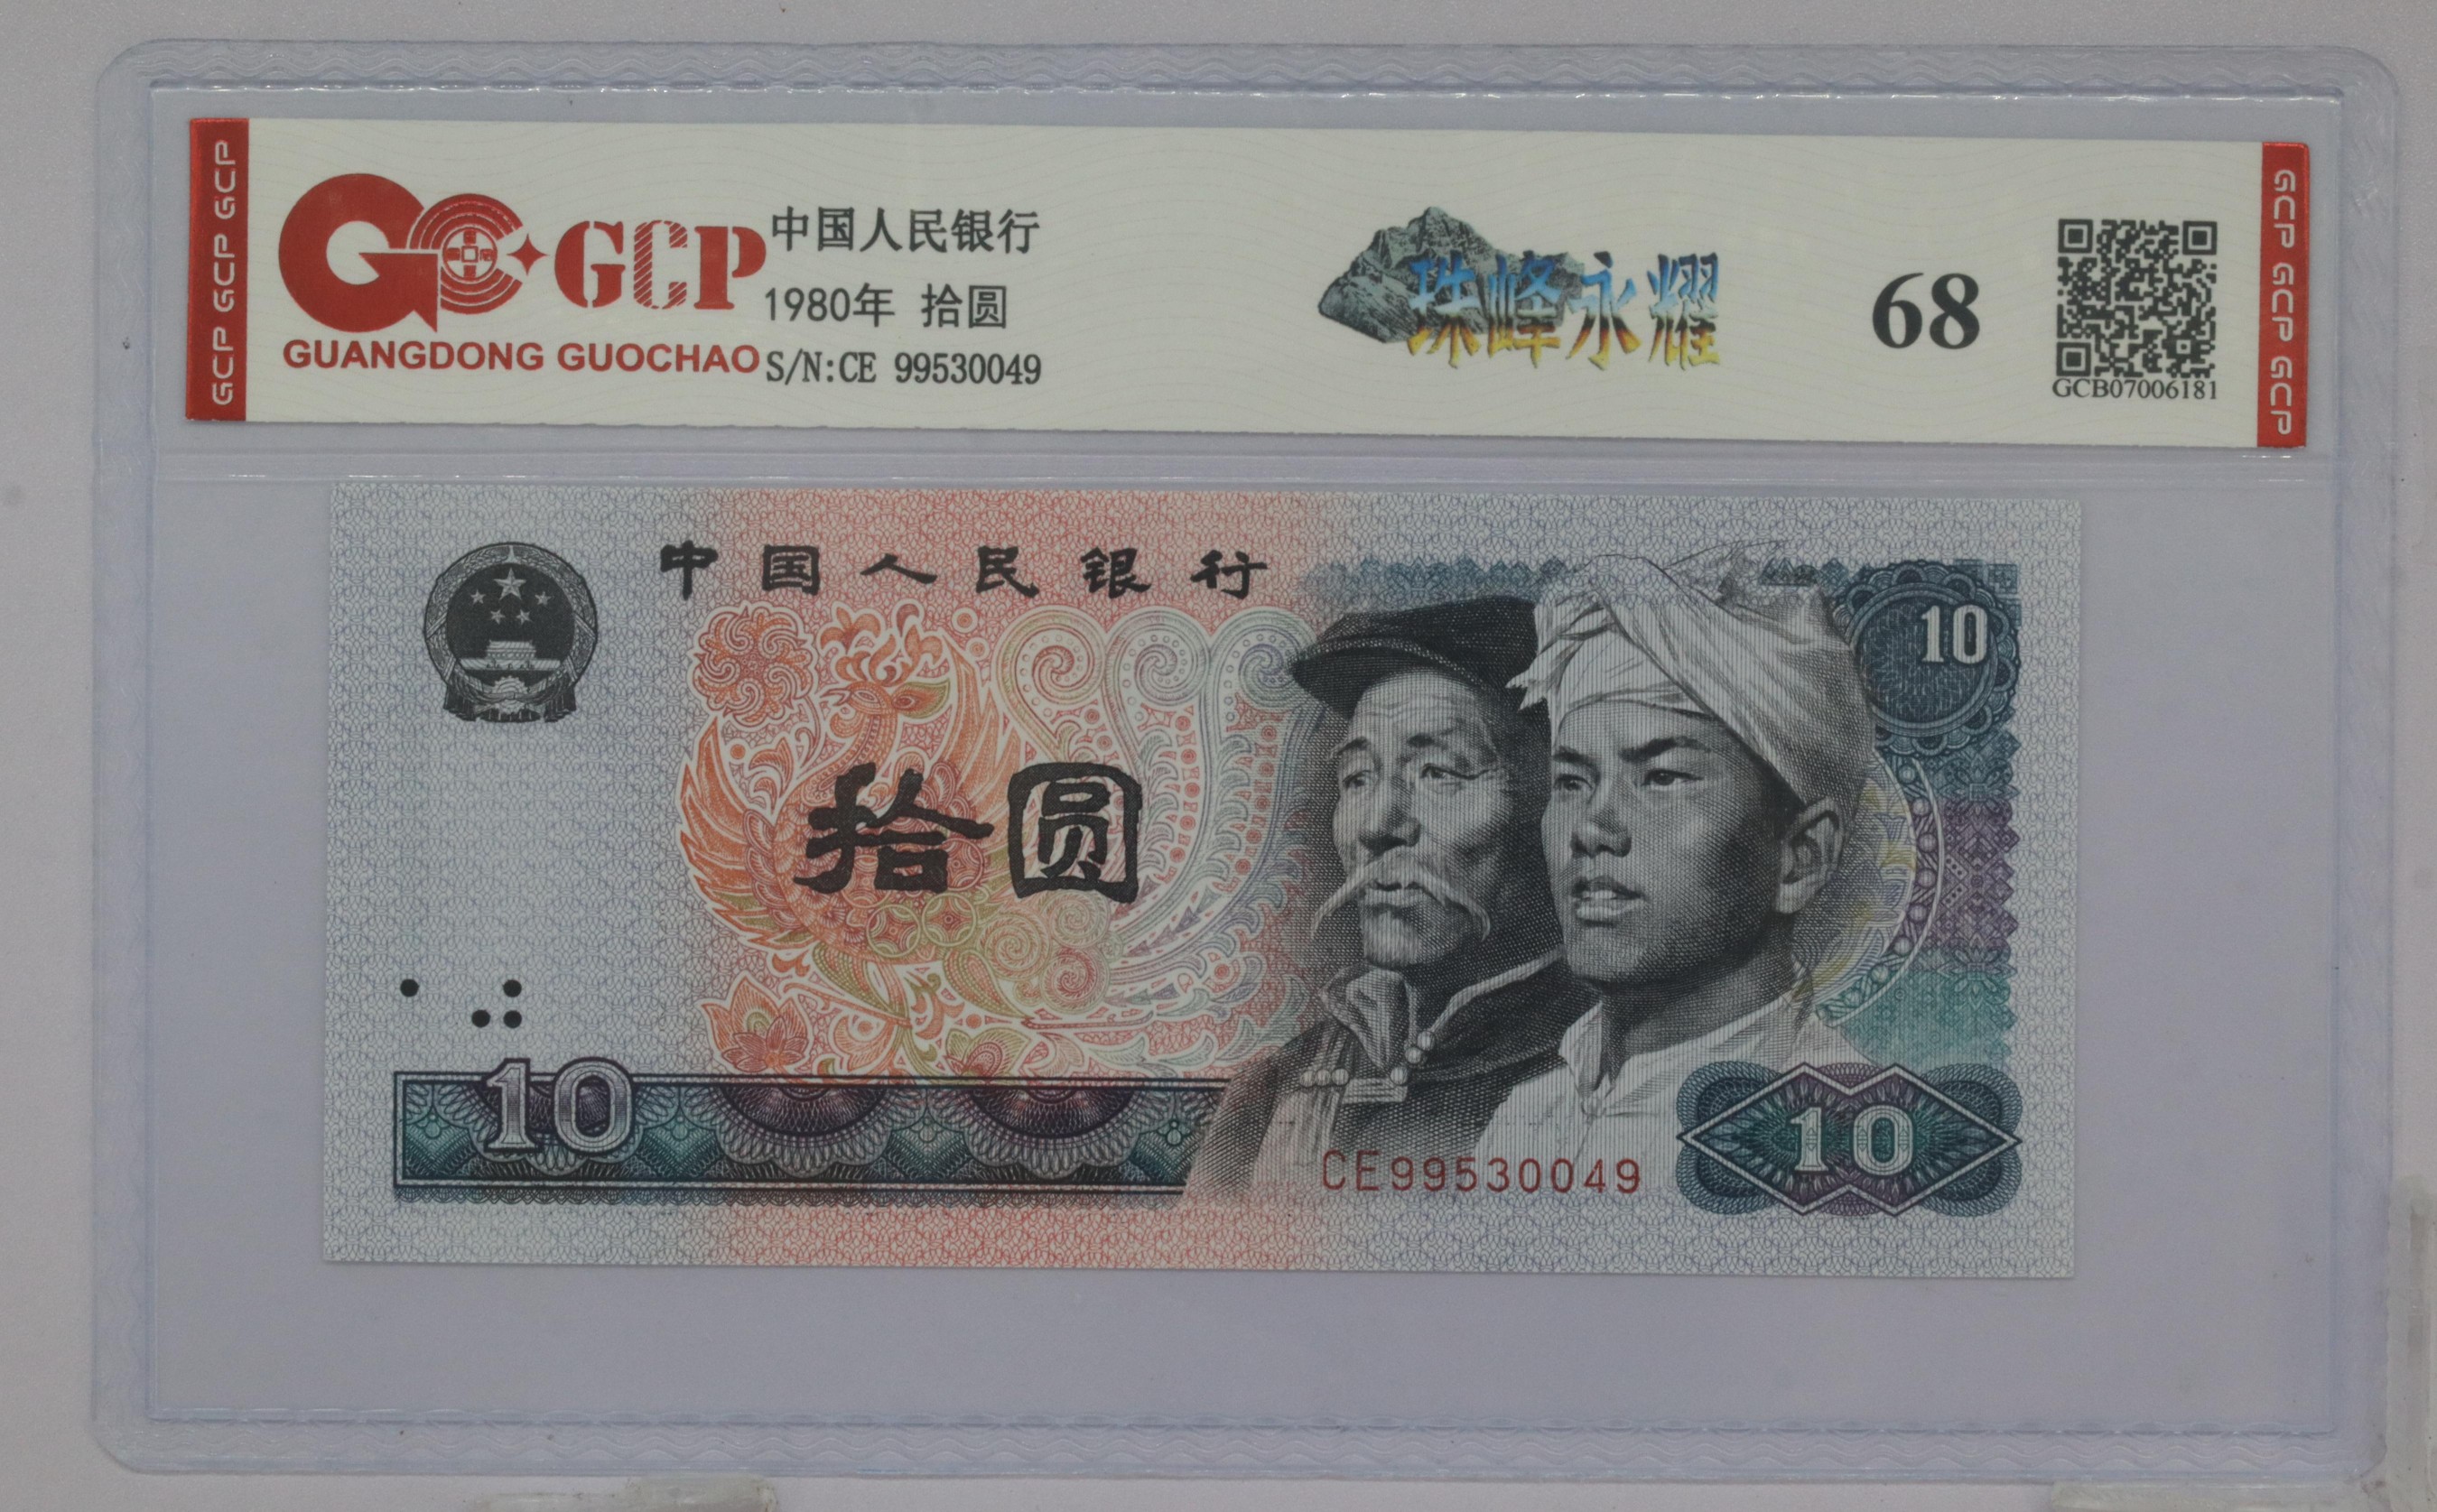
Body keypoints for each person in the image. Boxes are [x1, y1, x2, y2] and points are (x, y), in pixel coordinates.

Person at [1472, 553, 1877, 1191]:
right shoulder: (1523, 1122)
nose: (1592, 828)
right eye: (1572, 780)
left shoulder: (1841, 1142)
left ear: (1799, 856)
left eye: (1661, 777)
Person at [1194, 597, 1595, 1192]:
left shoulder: (1614, 1068)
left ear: (1556, 802)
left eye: (1438, 772)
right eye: (1358, 777)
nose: (1377, 825)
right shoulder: (1274, 1089)